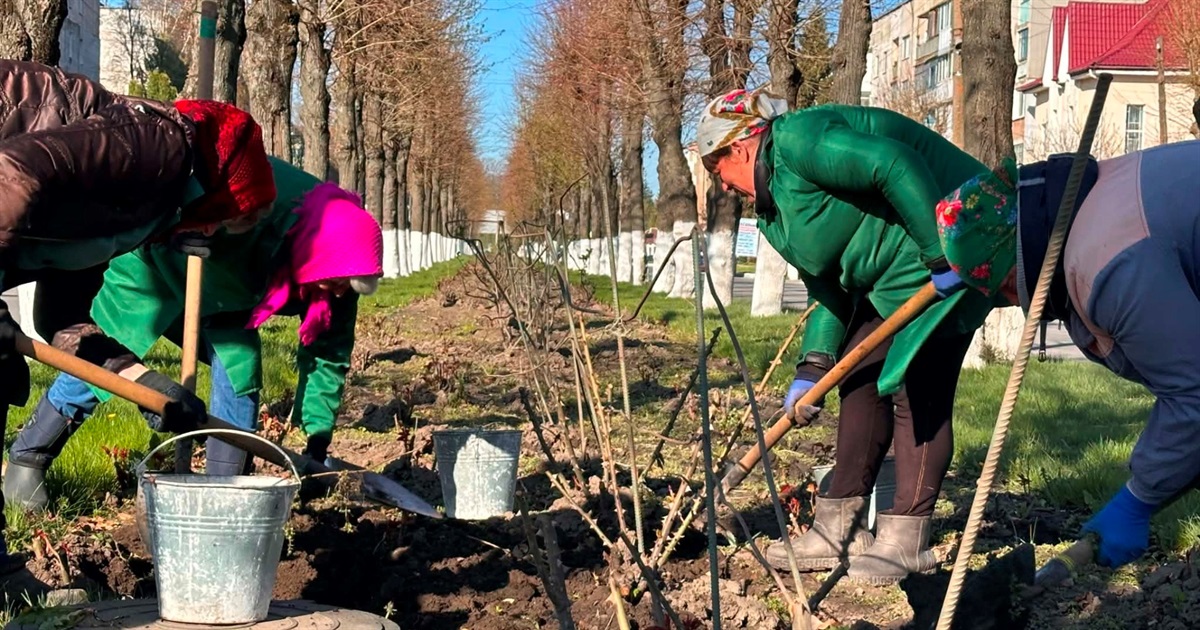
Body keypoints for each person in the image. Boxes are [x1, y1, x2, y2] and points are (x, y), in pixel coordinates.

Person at [695, 88, 995, 583]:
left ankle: (908, 539)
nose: (723, 187)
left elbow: (893, 164)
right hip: (889, 277)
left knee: (916, 384)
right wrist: (812, 367)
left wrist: (939, 252)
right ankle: (839, 528)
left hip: (955, 240)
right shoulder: (774, 218)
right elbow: (829, 289)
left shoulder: (799, 141)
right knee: (856, 375)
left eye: (716, 170)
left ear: (740, 148)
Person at [0, 59, 275, 575]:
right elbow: (10, 179)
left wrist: (148, 387)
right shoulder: (161, 146)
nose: (215, 234)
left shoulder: (137, 211)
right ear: (221, 188)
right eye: (235, 216)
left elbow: (63, 319)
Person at [5, 158, 384, 512]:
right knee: (106, 354)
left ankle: (222, 491)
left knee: (240, 368)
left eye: (345, 288)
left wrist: (317, 445)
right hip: (155, 262)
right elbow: (181, 171)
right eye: (333, 283)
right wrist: (182, 223)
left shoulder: (342, 272)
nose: (337, 292)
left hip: (230, 296)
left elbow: (328, 356)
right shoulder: (265, 192)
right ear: (316, 258)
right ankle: (29, 458)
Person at [935, 139, 1200, 570]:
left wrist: (1139, 498)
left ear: (1017, 259)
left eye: (1004, 287)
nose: (1010, 300)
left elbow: (1194, 393)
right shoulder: (1089, 209)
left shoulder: (1107, 266)